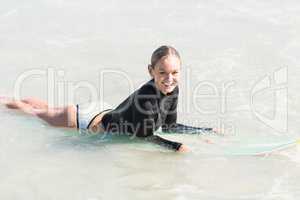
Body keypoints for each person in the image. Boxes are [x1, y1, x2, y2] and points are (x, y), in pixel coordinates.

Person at [1, 45, 214, 152]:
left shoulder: (172, 91)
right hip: (83, 121)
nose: (169, 79)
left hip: (103, 112)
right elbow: (144, 136)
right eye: (162, 73)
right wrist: (175, 147)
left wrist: (204, 132)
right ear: (151, 71)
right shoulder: (146, 100)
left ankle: (15, 99)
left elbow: (169, 126)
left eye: (175, 73)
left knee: (42, 109)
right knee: (30, 111)